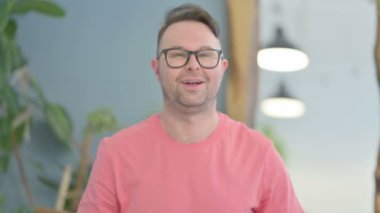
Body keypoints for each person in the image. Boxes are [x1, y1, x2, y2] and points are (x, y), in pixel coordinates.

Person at [77, 3, 303, 213]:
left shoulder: (260, 154)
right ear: (156, 69)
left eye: (205, 55)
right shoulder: (116, 153)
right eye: (177, 55)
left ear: (222, 68)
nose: (193, 65)